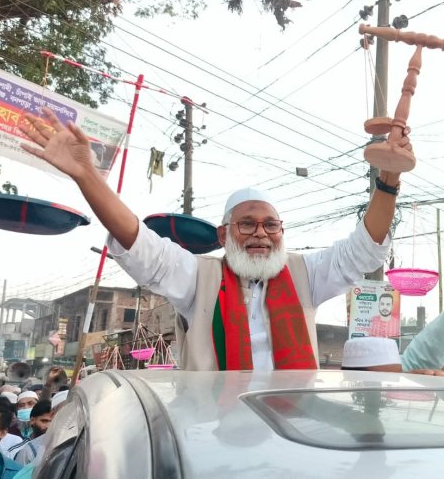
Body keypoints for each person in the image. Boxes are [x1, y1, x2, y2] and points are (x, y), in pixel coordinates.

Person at [20, 108, 402, 371]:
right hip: (212, 437)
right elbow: (139, 242)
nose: (260, 234)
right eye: (247, 224)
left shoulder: (306, 272)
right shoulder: (198, 277)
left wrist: (389, 180)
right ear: (224, 234)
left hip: (294, 433)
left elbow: (363, 249)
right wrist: (87, 176)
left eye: (271, 226)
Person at [8, 400, 52, 466]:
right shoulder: (17, 451)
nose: (49, 426)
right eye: (44, 421)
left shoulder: (64, 447)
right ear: (32, 421)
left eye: (54, 421)